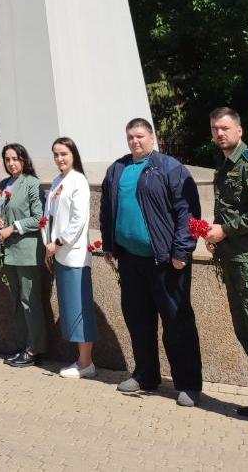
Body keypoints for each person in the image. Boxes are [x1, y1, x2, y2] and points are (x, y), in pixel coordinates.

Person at [100, 118, 203, 406]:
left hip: (166, 262)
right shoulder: (117, 169)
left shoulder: (170, 168)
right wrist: (109, 245)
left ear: (152, 137)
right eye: (131, 137)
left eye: (141, 136)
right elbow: (107, 209)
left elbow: (188, 213)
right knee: (138, 320)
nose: (135, 141)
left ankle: (188, 384)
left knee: (177, 323)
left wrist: (182, 252)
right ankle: (146, 374)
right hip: (131, 261)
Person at [204, 107, 248, 419]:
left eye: (224, 128)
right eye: (215, 129)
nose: (219, 133)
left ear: (240, 131)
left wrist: (226, 230)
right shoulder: (223, 165)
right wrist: (214, 233)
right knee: (244, 331)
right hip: (232, 260)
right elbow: (226, 208)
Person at [44, 137, 96, 378]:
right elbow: (50, 217)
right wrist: (49, 245)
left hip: (73, 255)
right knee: (69, 307)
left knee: (79, 308)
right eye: (56, 154)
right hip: (58, 253)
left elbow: (78, 220)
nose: (59, 158)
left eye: (63, 153)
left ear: (73, 154)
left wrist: (58, 243)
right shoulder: (57, 181)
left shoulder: (79, 181)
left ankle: (86, 363)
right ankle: (81, 359)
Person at [0, 142, 46, 367]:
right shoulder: (4, 183)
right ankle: (22, 344)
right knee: (17, 301)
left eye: (15, 159)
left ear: (24, 160)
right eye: (8, 160)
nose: (11, 163)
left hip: (27, 250)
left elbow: (38, 217)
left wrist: (12, 227)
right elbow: (1, 209)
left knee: (29, 300)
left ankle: (35, 349)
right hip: (8, 251)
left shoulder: (32, 184)